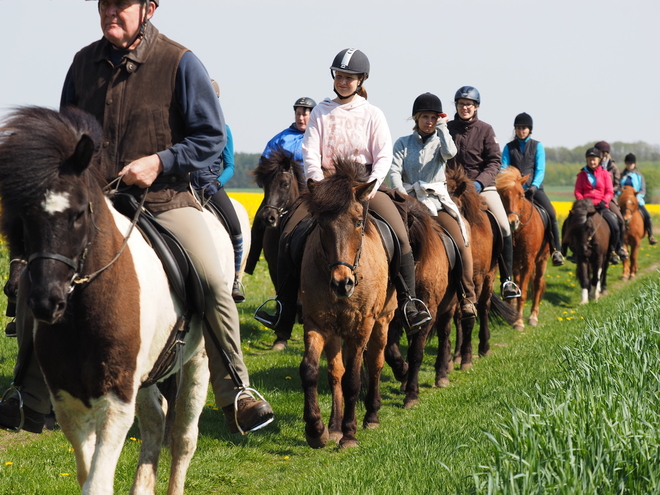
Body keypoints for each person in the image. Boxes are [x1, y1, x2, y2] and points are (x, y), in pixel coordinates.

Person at [0, 0, 273, 435]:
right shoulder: (81, 63)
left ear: (148, 8)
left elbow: (209, 138)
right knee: (41, 271)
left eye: (121, 4)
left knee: (212, 278)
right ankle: (27, 395)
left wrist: (160, 161)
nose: (111, 12)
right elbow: (65, 139)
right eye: (104, 4)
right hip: (97, 202)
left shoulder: (181, 62)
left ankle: (236, 390)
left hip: (164, 201)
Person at [255, 48, 432, 349]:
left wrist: (373, 185)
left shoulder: (373, 114)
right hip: (326, 187)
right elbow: (311, 151)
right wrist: (318, 184)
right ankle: (283, 311)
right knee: (287, 237)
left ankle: (409, 304)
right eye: (339, 75)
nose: (343, 81)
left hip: (363, 186)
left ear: (361, 79)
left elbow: (383, 153)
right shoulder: (321, 112)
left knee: (400, 236)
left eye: (349, 77)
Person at [390, 92, 477, 319]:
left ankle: (468, 296)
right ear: (416, 118)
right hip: (408, 201)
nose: (429, 121)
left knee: (460, 239)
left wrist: (443, 127)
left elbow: (451, 152)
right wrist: (403, 198)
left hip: (435, 202)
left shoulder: (441, 141)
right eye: (425, 117)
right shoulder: (402, 143)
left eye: (433, 117)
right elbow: (395, 172)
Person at [447, 86, 521, 299]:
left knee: (504, 225)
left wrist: (479, 183)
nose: (465, 108)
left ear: (476, 107)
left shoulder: (486, 130)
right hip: (451, 188)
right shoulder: (448, 128)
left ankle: (507, 281)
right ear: (457, 106)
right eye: (461, 104)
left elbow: (494, 161)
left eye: (469, 104)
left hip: (482, 186)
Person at [244, 97, 316, 276]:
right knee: (261, 220)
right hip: (281, 193)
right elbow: (264, 167)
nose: (301, 118)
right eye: (298, 114)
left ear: (313, 116)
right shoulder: (280, 139)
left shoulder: (319, 137)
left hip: (312, 193)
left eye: (305, 114)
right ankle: (250, 263)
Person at [191, 80, 246, 302]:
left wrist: (217, 183)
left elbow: (230, 166)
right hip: (187, 186)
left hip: (210, 185)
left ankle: (235, 280)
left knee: (236, 227)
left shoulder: (225, 130)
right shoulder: (187, 127)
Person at [501, 112, 565, 266]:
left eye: (524, 128)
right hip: (514, 191)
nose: (521, 130)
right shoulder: (508, 148)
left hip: (533, 190)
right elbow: (503, 168)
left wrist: (534, 186)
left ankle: (556, 250)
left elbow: (540, 169)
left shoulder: (538, 146)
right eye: (518, 128)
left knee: (551, 213)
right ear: (515, 129)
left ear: (530, 130)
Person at [566, 147, 628, 265]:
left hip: (601, 205)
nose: (592, 162)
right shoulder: (582, 174)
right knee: (569, 223)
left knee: (615, 225)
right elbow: (578, 191)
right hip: (585, 206)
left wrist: (603, 202)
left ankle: (615, 250)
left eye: (594, 159)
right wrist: (582, 202)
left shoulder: (605, 174)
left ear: (599, 160)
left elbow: (610, 191)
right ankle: (570, 250)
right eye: (589, 159)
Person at [620, 153, 658, 245]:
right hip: (623, 202)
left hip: (636, 201)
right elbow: (617, 188)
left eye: (631, 164)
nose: (629, 165)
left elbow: (642, 190)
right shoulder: (621, 176)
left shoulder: (639, 176)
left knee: (647, 216)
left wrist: (636, 198)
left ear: (634, 164)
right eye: (628, 164)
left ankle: (651, 235)